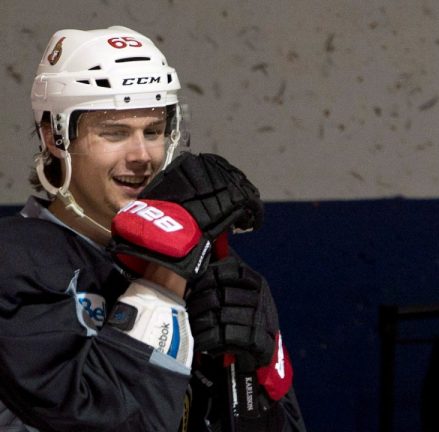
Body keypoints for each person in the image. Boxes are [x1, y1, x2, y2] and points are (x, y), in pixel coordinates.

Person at [0, 26, 305, 431]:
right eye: (114, 132)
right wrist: (164, 277)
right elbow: (102, 420)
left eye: (154, 131)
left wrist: (251, 390)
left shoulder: (211, 264)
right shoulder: (14, 260)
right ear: (53, 136)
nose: (142, 155)